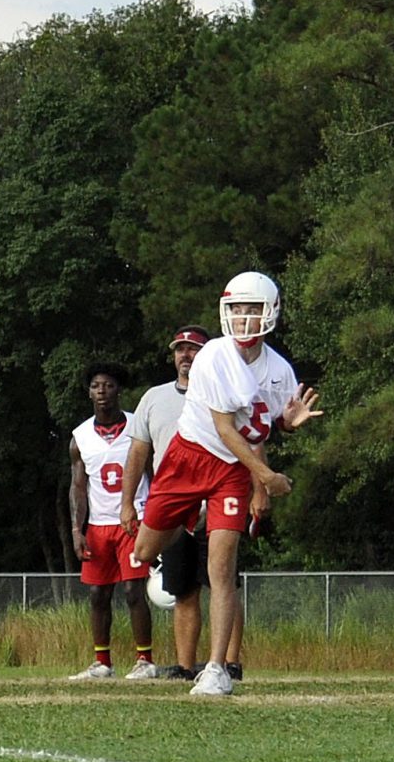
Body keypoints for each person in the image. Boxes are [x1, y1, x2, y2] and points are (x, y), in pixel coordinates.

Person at [132, 271, 321, 697]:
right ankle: (190, 517)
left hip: (231, 473)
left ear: (269, 311)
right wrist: (267, 476)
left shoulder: (280, 371)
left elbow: (262, 427)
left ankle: (216, 668)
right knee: (143, 551)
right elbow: (224, 429)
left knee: (222, 570)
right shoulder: (215, 356)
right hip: (189, 456)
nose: (243, 317)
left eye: (252, 308)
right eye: (236, 308)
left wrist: (287, 426)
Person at [125, 326, 214, 680]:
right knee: (182, 589)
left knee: (222, 584)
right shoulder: (154, 398)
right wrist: (127, 502)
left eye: (193, 349)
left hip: (215, 500)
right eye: (180, 349)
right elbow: (137, 453)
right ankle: (186, 665)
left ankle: (229, 663)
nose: (185, 355)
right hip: (174, 506)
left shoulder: (220, 394)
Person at [67, 361, 155, 680]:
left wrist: (155, 520)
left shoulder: (137, 427)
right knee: (98, 594)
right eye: (95, 386)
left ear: (119, 390)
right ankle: (102, 663)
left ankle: (145, 660)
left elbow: (153, 475)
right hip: (99, 524)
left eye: (108, 385)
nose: (101, 391)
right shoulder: (79, 437)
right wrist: (78, 529)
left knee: (133, 589)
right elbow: (78, 487)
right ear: (89, 393)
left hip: (134, 519)